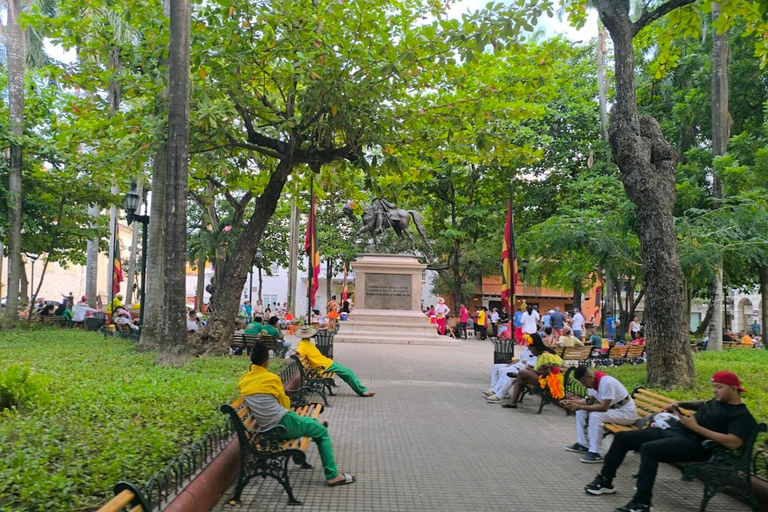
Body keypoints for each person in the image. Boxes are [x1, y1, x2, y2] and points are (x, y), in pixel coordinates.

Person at [584, 371, 757, 512]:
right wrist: (679, 403)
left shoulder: (741, 416)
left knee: (649, 449)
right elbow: (704, 403)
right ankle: (605, 481)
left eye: (719, 387)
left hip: (699, 446)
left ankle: (642, 503)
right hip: (679, 432)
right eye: (713, 387)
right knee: (623, 438)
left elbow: (732, 442)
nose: (714, 391)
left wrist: (696, 427)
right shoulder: (717, 401)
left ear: (734, 389)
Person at [238, 341, 356, 487]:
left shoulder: (244, 380)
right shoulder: (271, 378)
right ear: (266, 361)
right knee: (321, 430)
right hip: (282, 425)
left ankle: (314, 430)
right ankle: (333, 475)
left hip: (271, 424)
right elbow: (285, 405)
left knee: (317, 423)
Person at [562, 366, 638, 464]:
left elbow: (603, 408)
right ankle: (583, 444)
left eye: (584, 382)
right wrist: (572, 402)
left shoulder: (606, 383)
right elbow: (589, 401)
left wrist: (579, 406)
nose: (583, 385)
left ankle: (596, 452)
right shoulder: (593, 383)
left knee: (595, 416)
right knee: (580, 411)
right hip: (615, 411)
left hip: (626, 414)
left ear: (590, 377)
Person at [296, 325, 375, 397]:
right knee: (347, 373)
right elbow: (299, 353)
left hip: (326, 363)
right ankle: (362, 391)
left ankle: (361, 390)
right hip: (324, 366)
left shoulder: (306, 343)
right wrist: (297, 355)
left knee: (347, 372)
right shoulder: (302, 344)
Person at [503, 333, 563, 409]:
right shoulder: (541, 354)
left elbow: (547, 372)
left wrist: (531, 370)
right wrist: (533, 368)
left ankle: (517, 375)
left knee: (522, 372)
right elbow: (542, 368)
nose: (531, 352)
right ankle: (512, 403)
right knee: (520, 379)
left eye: (531, 349)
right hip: (541, 376)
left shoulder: (546, 355)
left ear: (535, 347)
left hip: (546, 380)